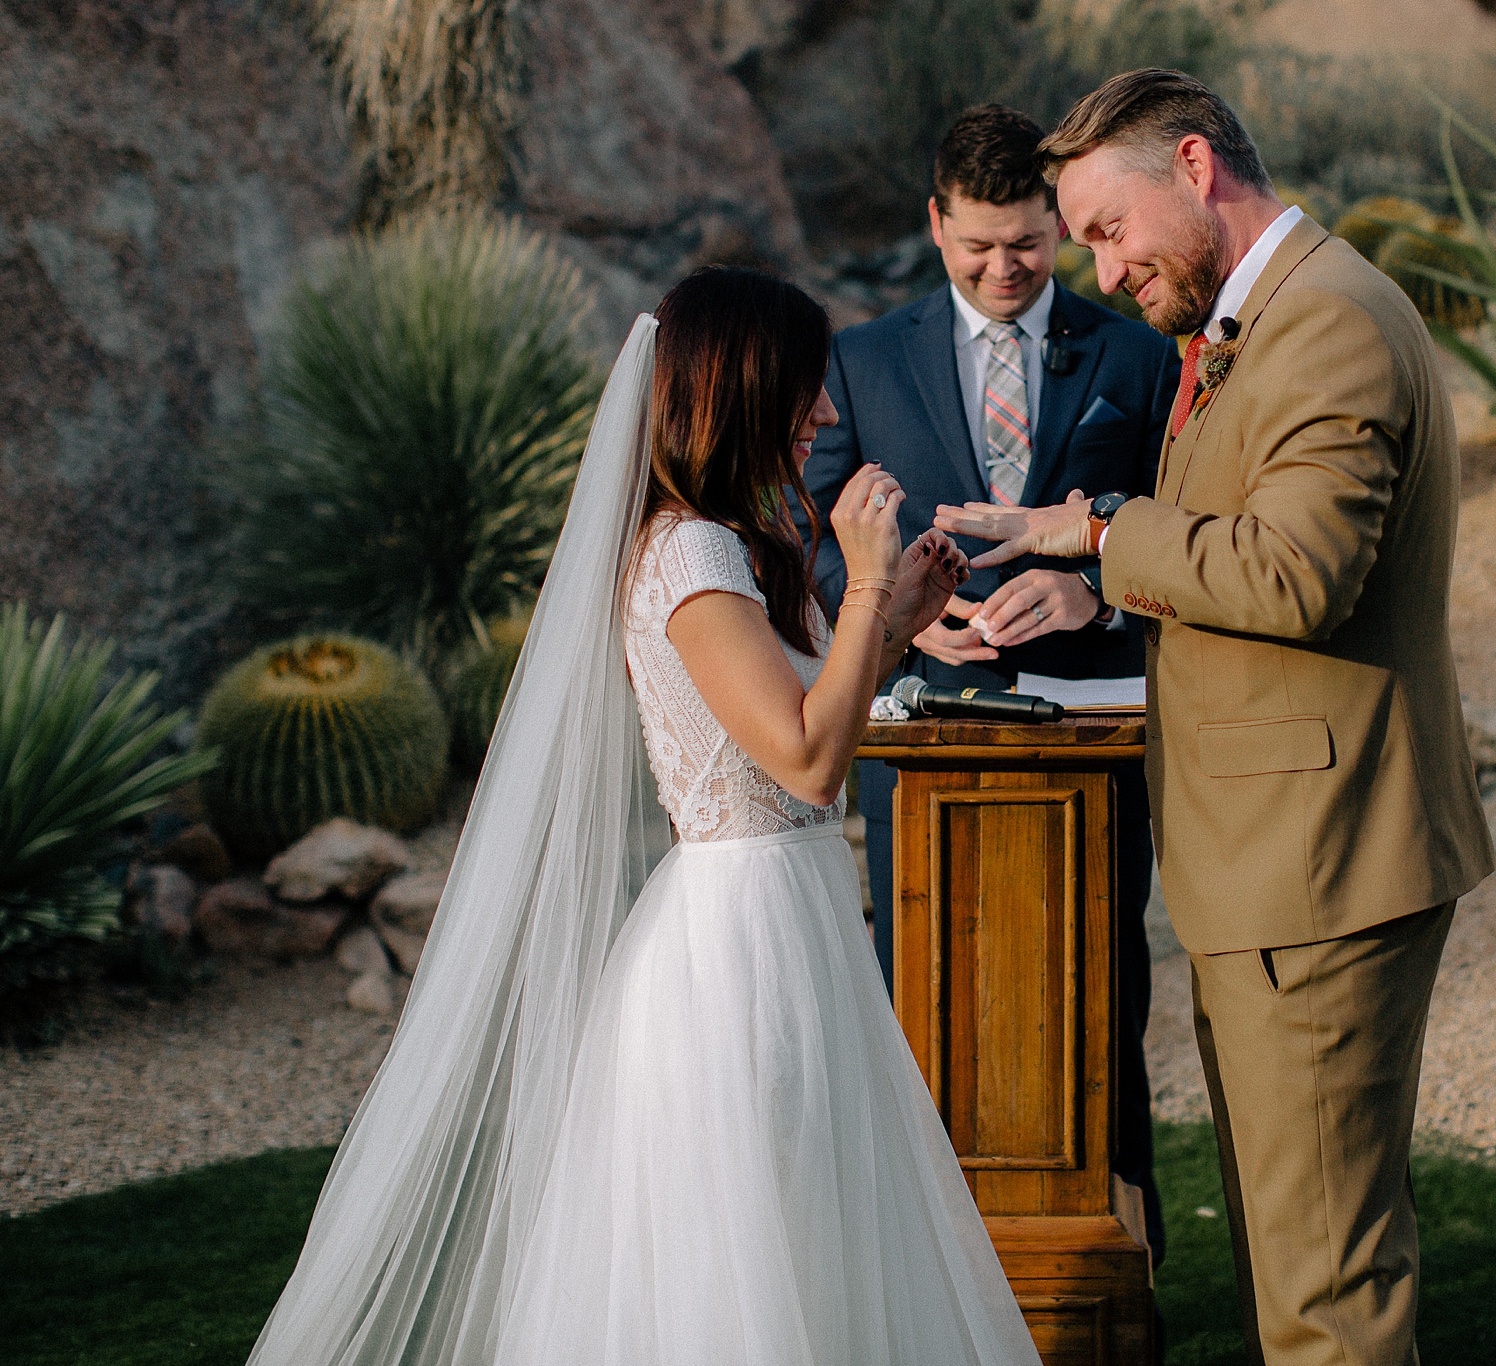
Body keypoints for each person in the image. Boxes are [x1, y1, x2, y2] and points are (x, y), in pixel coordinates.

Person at [246, 268, 1041, 1366]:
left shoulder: (721, 542)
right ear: (742, 393)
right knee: (750, 1242)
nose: (820, 414)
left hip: (783, 915)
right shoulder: (690, 552)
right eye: (805, 390)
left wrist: (891, 620)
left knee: (806, 1221)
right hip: (741, 941)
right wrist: (859, 584)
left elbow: (797, 719)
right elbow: (808, 763)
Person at [936, 71, 1496, 1366]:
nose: (1103, 269)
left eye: (1108, 230)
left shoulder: (1329, 324)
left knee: (1328, 1301)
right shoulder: (1253, 326)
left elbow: (1295, 574)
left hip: (1318, 864)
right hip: (1274, 864)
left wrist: (1095, 531)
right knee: (1291, 1267)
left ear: (1193, 168)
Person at [803, 104, 1179, 1260]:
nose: (1005, 267)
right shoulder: (860, 360)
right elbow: (811, 542)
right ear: (934, 224)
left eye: (1028, 242)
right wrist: (905, 621)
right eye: (977, 246)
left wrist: (1098, 591)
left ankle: (1114, 1284)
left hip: (1092, 748)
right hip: (920, 745)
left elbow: (1177, 529)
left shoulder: (1135, 355)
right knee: (915, 1018)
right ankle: (911, 1278)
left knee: (1096, 1012)